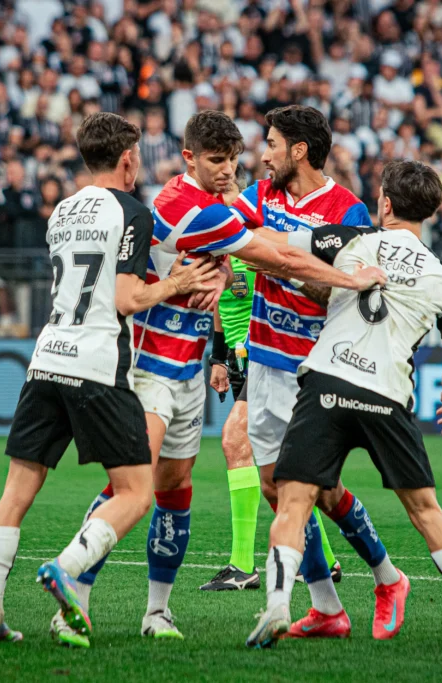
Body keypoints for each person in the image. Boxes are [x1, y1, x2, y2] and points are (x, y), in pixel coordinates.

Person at [50, 110, 387, 645]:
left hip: (194, 368)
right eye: (217, 161)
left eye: (235, 158)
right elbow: (273, 254)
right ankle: (72, 591)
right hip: (150, 363)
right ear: (189, 159)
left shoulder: (226, 204)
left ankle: (157, 612)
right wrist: (350, 278)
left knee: (177, 488)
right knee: (132, 484)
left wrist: (226, 270)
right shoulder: (185, 204)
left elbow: (231, 249)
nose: (231, 169)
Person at [246, 160, 442, 650]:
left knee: (293, 500)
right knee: (425, 510)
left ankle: (277, 606)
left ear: (386, 204)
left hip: (327, 378)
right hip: (387, 393)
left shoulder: (351, 239)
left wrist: (230, 238)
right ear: (429, 214)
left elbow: (274, 245)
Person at [0, 112, 220, 644]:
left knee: (16, 494)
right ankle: (65, 567)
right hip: (97, 364)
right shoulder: (131, 210)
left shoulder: (61, 210)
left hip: (46, 358)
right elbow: (127, 298)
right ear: (127, 159)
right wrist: (174, 283)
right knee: (135, 492)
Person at [228, 106, 408, 639]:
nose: (263, 154)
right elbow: (229, 240)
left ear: (299, 151)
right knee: (271, 487)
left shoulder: (348, 212)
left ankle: (387, 576)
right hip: (262, 356)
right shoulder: (260, 196)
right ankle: (327, 608)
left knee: (316, 490)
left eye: (272, 144)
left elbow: (337, 290)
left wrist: (283, 266)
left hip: (311, 366)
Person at [201, 166, 264, 591]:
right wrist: (219, 359)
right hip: (241, 362)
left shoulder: (259, 243)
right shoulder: (214, 251)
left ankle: (243, 565)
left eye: (229, 197)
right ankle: (326, 561)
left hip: (267, 357)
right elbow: (222, 309)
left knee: (234, 442)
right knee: (282, 465)